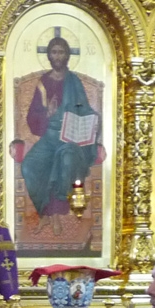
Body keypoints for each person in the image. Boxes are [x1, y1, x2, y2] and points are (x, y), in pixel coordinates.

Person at [18, 34, 101, 220]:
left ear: (67, 55)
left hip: (71, 138)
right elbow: (32, 117)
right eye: (54, 52)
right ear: (49, 55)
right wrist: (47, 114)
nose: (57, 56)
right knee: (29, 165)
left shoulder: (74, 82)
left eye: (61, 52)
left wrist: (93, 119)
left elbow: (85, 109)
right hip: (49, 137)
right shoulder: (43, 83)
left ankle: (61, 212)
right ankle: (44, 212)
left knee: (67, 160)